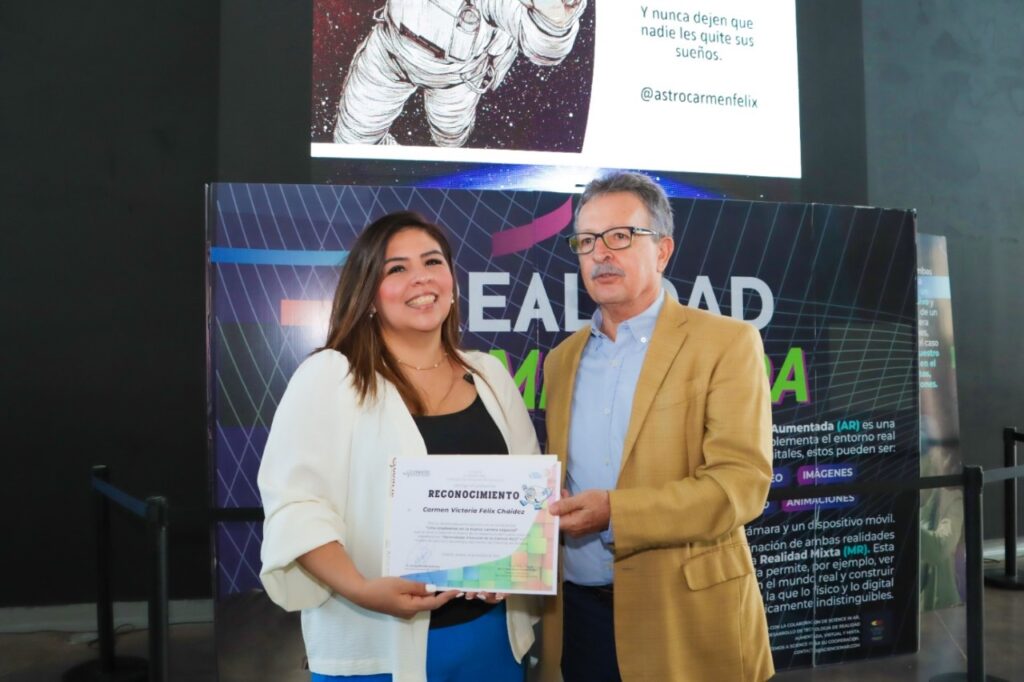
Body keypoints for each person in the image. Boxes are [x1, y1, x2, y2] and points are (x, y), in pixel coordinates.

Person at [258, 211, 541, 681]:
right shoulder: (332, 376)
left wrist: (513, 567)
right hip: (376, 645)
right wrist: (363, 589)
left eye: (433, 262)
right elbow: (297, 506)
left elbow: (527, 491)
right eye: (397, 268)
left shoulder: (490, 375)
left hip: (490, 641)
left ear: (451, 280)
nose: (421, 278)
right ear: (369, 293)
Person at [541, 172, 775, 681]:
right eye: (586, 241)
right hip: (578, 616)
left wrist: (614, 513)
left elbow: (740, 486)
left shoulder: (726, 344)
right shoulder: (561, 361)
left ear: (663, 250)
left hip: (683, 613)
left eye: (620, 236)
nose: (601, 254)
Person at [333, 0, 587, 147]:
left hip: (455, 80)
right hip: (387, 56)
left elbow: (544, 48)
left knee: (450, 141)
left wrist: (554, 20)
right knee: (353, 139)